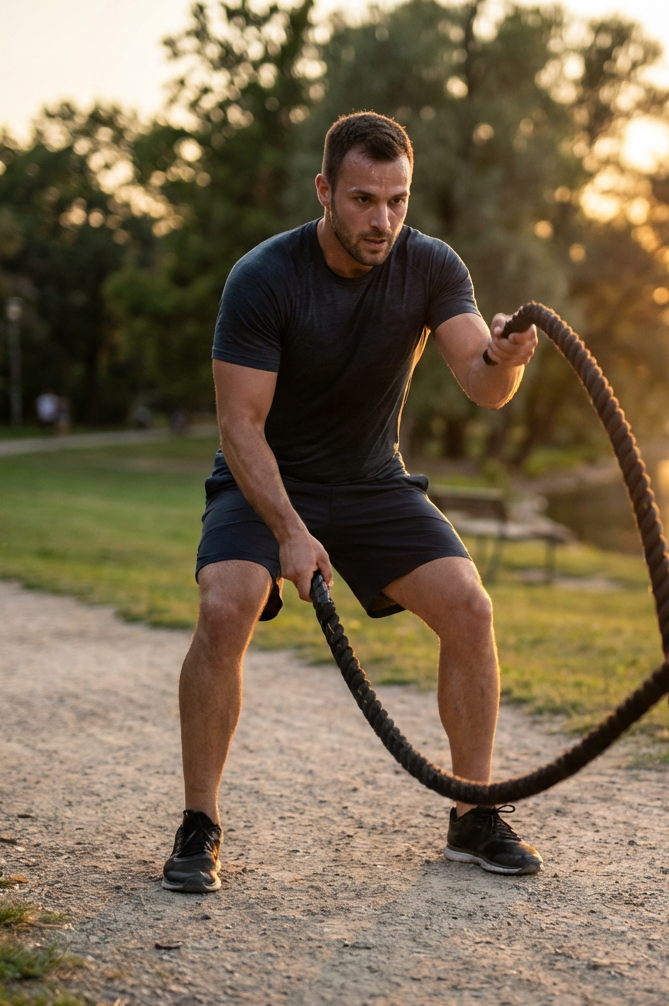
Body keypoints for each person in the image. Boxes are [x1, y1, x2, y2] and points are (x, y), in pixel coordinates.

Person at [163, 111, 543, 894]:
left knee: (470, 609)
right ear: (325, 191)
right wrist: (290, 534)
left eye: (398, 200)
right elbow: (239, 425)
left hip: (372, 482)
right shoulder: (264, 276)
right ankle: (200, 821)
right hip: (264, 476)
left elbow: (483, 384)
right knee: (226, 604)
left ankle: (472, 815)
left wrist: (506, 357)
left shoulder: (432, 266)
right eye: (365, 199)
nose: (384, 220)